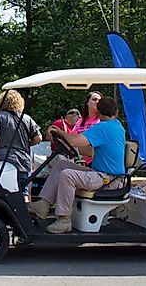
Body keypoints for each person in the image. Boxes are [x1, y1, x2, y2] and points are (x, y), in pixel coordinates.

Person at [27, 95, 126, 234]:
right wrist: (65, 143)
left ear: (98, 112)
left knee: (68, 175)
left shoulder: (103, 128)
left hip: (108, 179)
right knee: (62, 164)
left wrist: (58, 131)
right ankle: (43, 204)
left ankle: (64, 219)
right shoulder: (117, 126)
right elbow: (85, 148)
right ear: (116, 112)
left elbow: (74, 141)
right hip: (102, 174)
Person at [0, 90, 43, 192]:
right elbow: (38, 138)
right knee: (23, 193)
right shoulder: (27, 119)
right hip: (23, 162)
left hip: (3, 161)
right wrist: (26, 144)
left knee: (3, 193)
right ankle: (25, 206)